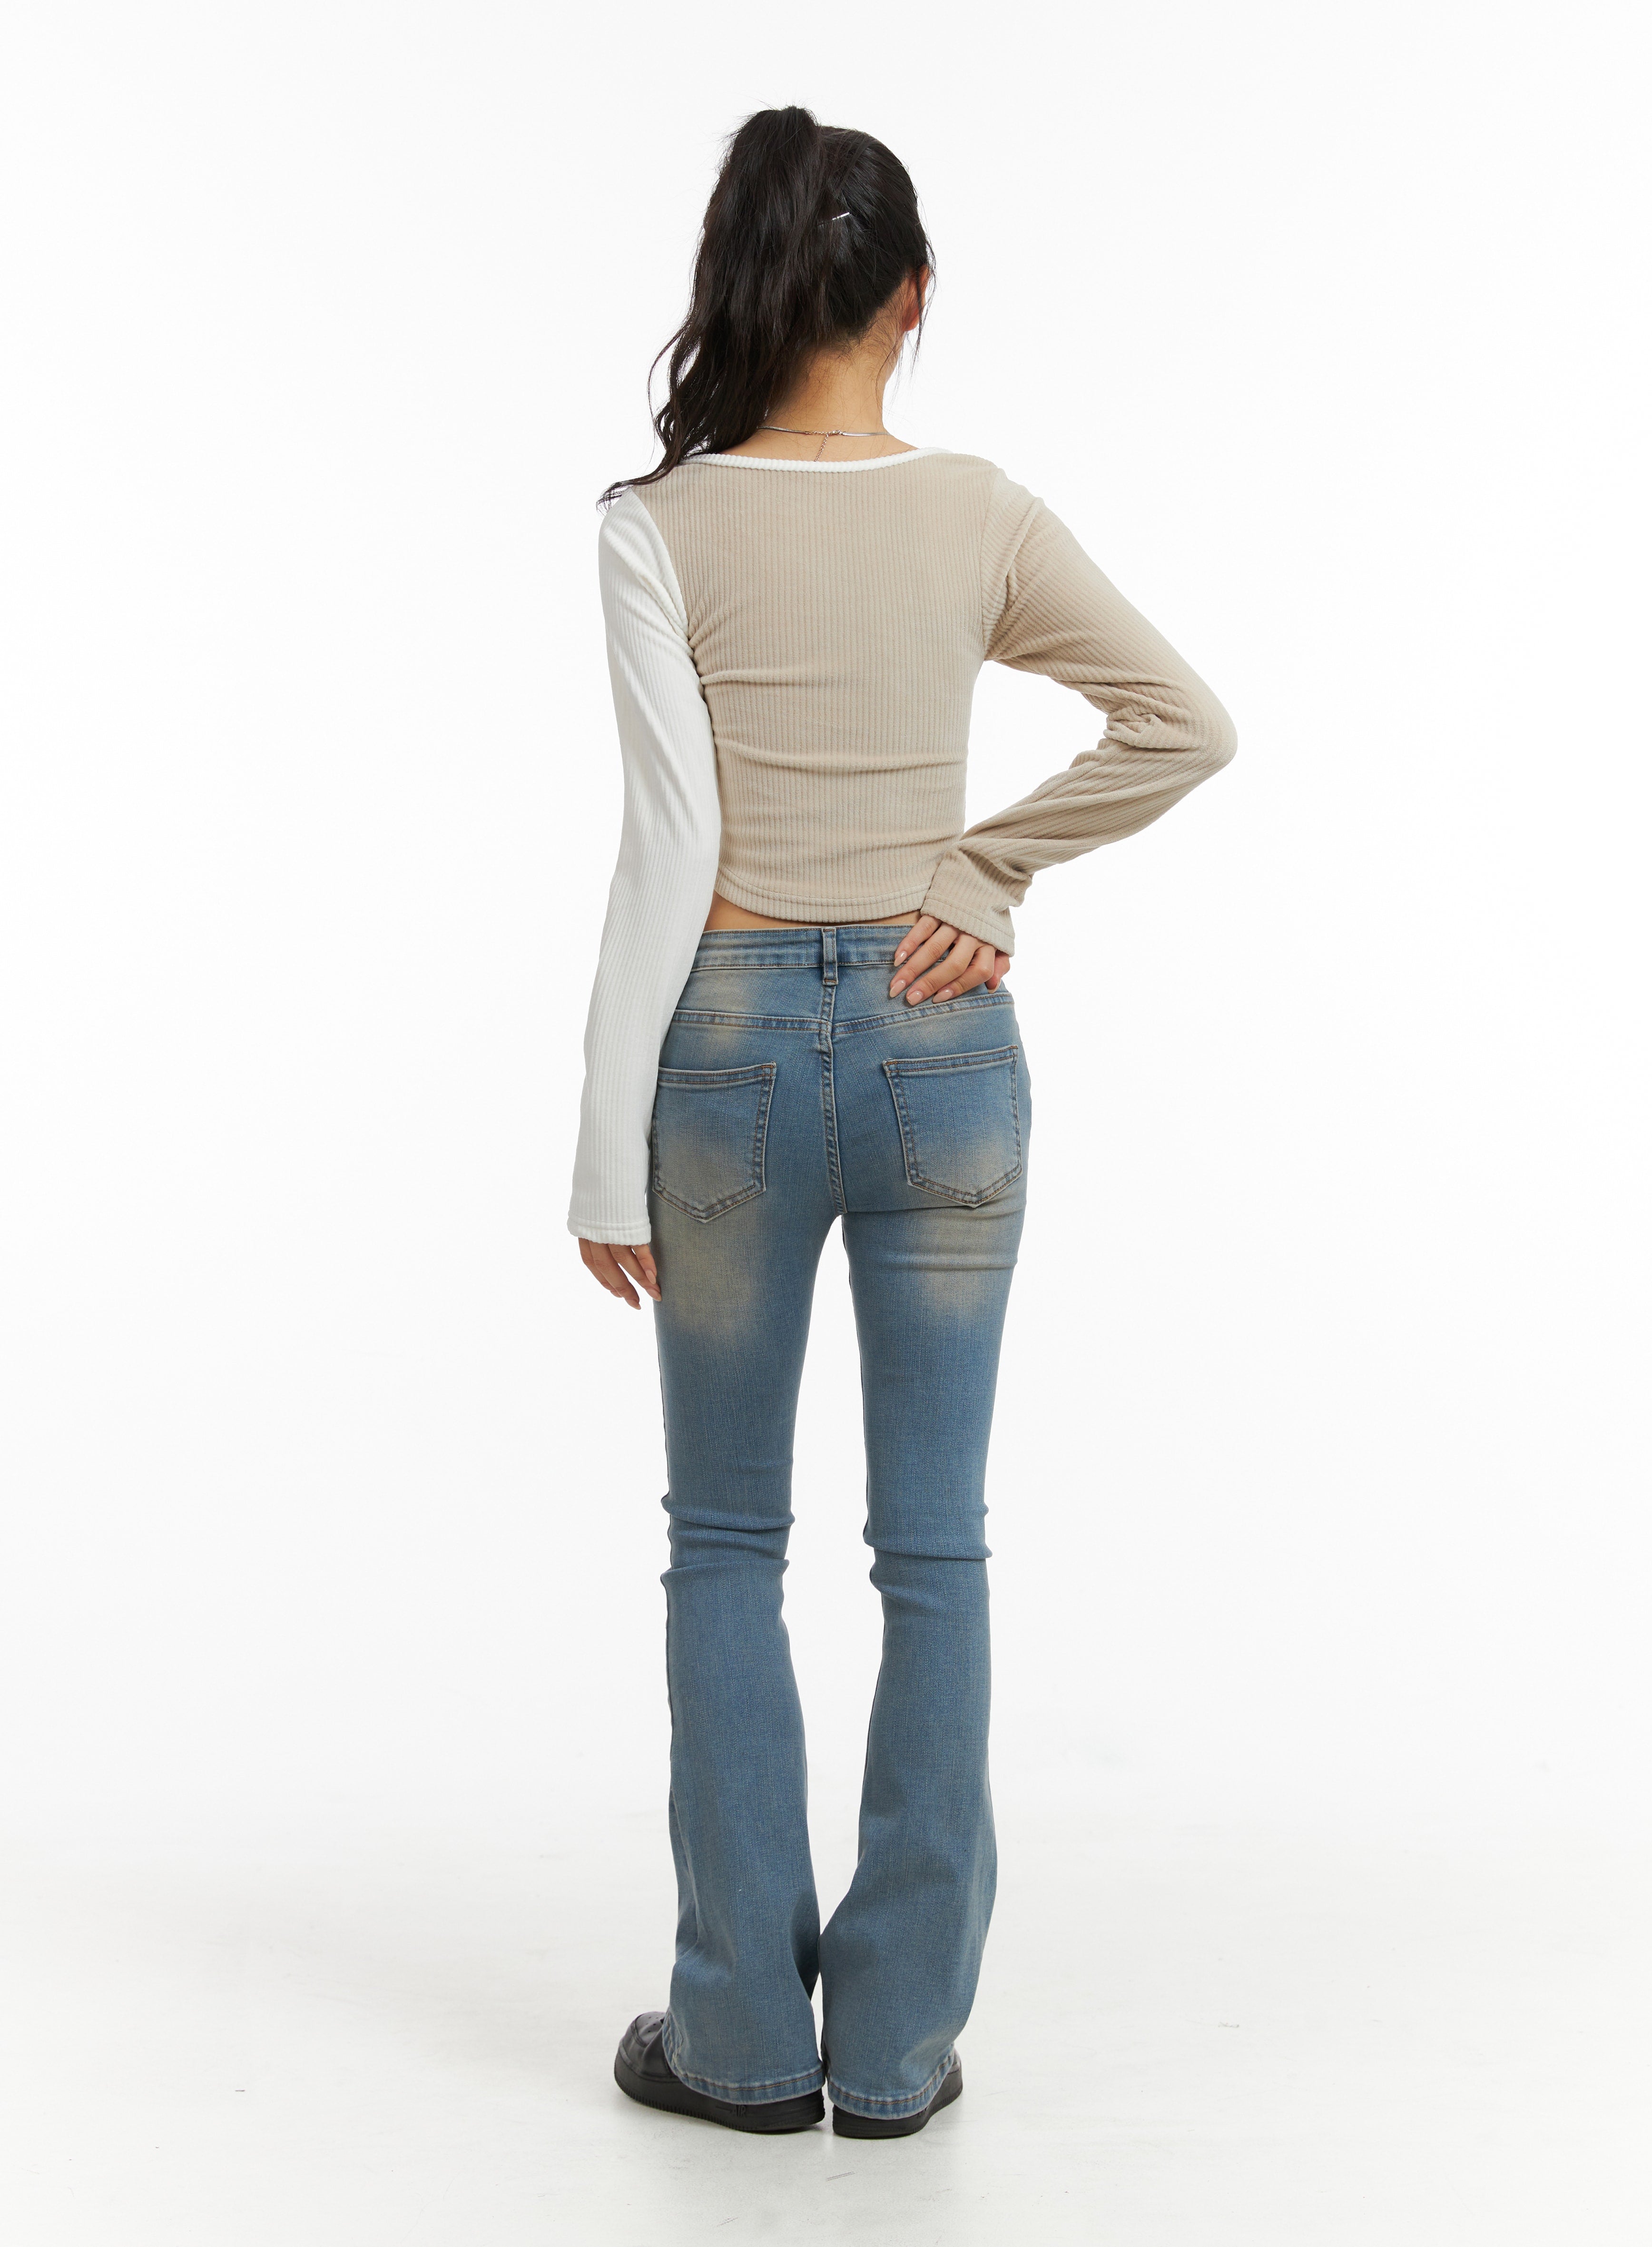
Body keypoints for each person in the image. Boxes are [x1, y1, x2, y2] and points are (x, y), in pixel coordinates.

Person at [569, 105, 1236, 2140]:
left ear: (740, 284)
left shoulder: (657, 525)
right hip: (946, 1054)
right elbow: (1183, 723)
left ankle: (740, 2044)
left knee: (723, 1542)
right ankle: (894, 2046)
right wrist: (986, 868)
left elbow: (668, 845)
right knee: (933, 1545)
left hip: (727, 1057)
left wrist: (602, 1138)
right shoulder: (979, 514)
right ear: (913, 295)